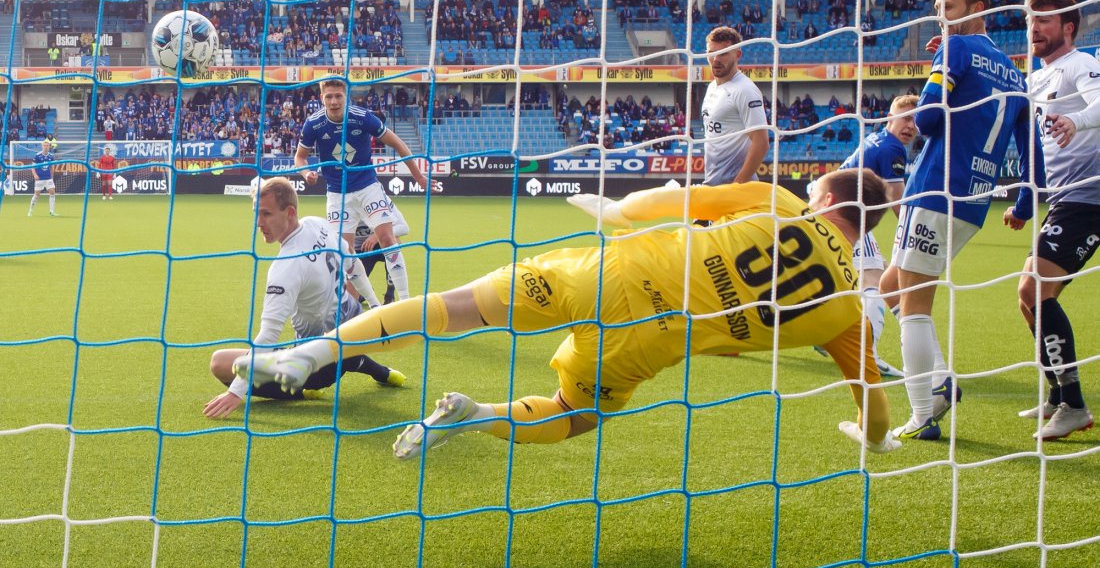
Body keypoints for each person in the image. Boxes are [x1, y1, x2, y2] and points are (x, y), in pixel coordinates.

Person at [234, 169, 902, 456]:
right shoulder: (849, 314)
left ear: (825, 195)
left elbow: (665, 205)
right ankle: (478, 416)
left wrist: (612, 211)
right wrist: (869, 435)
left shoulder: (783, 202)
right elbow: (875, 402)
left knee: (459, 306)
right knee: (575, 413)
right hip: (652, 340)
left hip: (614, 270)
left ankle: (314, 350)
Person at [878, 0, 1045, 441]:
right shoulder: (1015, 72)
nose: (940, 16)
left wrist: (940, 65)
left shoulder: (952, 51)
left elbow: (928, 118)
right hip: (974, 200)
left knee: (913, 305)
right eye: (938, 8)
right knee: (892, 286)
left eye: (948, 8)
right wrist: (1027, 203)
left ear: (977, 7)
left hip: (934, 188)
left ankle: (921, 412)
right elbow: (1030, 148)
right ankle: (940, 379)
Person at [203, 178, 405, 419]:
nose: (258, 223)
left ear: (289, 212)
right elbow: (354, 264)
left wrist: (236, 392)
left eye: (266, 214)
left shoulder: (286, 267)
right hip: (355, 326)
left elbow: (268, 336)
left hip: (317, 364)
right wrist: (374, 306)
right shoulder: (317, 224)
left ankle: (303, 392)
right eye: (256, 214)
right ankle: (378, 371)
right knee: (342, 346)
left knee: (220, 363)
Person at [1003, 0, 1098, 440]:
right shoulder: (1035, 79)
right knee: (1028, 299)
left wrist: (1076, 122)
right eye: (1031, 22)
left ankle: (1075, 404)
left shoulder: (1081, 64)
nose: (1035, 28)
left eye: (1046, 21)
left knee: (1033, 287)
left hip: (1090, 195)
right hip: (1061, 198)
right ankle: (1058, 396)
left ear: (1069, 28)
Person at [295, 79, 433, 303]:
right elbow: (300, 157)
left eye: (338, 96)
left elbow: (398, 143)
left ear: (345, 96)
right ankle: (375, 306)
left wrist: (418, 176)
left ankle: (405, 301)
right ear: (322, 99)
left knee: (388, 238)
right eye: (328, 97)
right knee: (345, 253)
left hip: (368, 187)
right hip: (337, 194)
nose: (333, 101)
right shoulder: (313, 124)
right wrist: (305, 173)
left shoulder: (362, 117)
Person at [822, 94, 919, 378]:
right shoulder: (892, 149)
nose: (910, 126)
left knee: (848, 277)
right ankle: (869, 356)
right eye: (905, 118)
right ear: (890, 118)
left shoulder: (878, 139)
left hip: (834, 208)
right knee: (873, 276)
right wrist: (912, 232)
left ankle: (828, 334)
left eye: (916, 119)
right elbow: (896, 200)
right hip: (845, 213)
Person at [700, 26, 769, 186]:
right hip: (713, 185)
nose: (716, 59)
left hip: (734, 189)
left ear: (737, 55)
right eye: (711, 53)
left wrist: (737, 186)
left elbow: (762, 142)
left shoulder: (745, 89)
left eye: (723, 53)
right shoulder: (711, 87)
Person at [28, 139, 58, 217]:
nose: (46, 147)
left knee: (52, 193)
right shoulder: (37, 155)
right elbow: (32, 167)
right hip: (39, 178)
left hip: (48, 178)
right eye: (44, 145)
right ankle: (30, 211)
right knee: (37, 195)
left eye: (47, 146)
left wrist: (51, 177)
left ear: (49, 147)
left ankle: (52, 211)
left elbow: (51, 167)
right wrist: (35, 175)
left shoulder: (51, 156)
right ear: (42, 146)